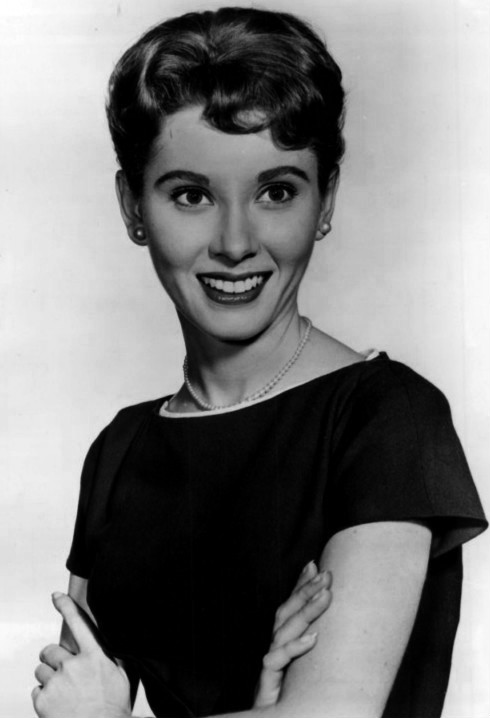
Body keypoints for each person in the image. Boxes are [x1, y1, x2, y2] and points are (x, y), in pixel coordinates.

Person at [32, 6, 487, 718]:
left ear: (325, 199)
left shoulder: (386, 418)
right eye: (191, 195)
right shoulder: (121, 450)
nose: (236, 242)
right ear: (133, 206)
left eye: (277, 192)